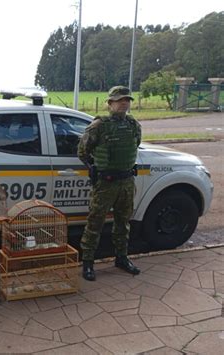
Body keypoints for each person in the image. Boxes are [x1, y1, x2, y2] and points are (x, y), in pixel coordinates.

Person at [77, 86, 141, 281]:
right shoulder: (98, 126)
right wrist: (96, 169)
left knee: (123, 222)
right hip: (106, 183)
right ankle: (87, 263)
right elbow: (82, 151)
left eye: (127, 100)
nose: (124, 103)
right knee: (95, 222)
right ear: (110, 103)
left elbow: (136, 144)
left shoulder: (133, 125)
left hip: (126, 181)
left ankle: (121, 258)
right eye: (120, 100)